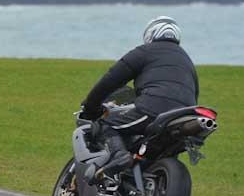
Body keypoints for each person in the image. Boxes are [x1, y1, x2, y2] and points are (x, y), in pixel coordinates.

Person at [80, 16, 199, 182]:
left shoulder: (145, 51)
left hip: (153, 109)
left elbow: (111, 79)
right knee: (166, 148)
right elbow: (194, 93)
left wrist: (90, 106)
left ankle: (120, 156)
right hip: (185, 116)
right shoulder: (187, 61)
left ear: (150, 34)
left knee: (106, 124)